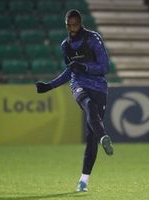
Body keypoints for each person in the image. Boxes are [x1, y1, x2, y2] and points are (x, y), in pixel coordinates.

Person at [35, 9, 114, 192]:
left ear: (81, 23)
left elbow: (105, 66)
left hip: (99, 87)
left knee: (90, 138)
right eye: (69, 25)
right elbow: (71, 71)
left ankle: (83, 181)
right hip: (78, 85)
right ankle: (104, 136)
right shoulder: (65, 46)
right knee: (88, 105)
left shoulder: (93, 39)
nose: (72, 29)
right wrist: (50, 86)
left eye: (75, 25)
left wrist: (84, 66)